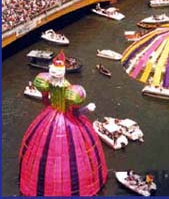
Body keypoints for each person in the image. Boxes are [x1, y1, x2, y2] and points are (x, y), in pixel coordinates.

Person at [19, 51, 107, 196]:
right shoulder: (70, 91)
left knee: (37, 150)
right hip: (66, 119)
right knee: (79, 154)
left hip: (49, 117)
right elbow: (75, 113)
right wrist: (87, 109)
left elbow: (45, 101)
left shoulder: (48, 84)